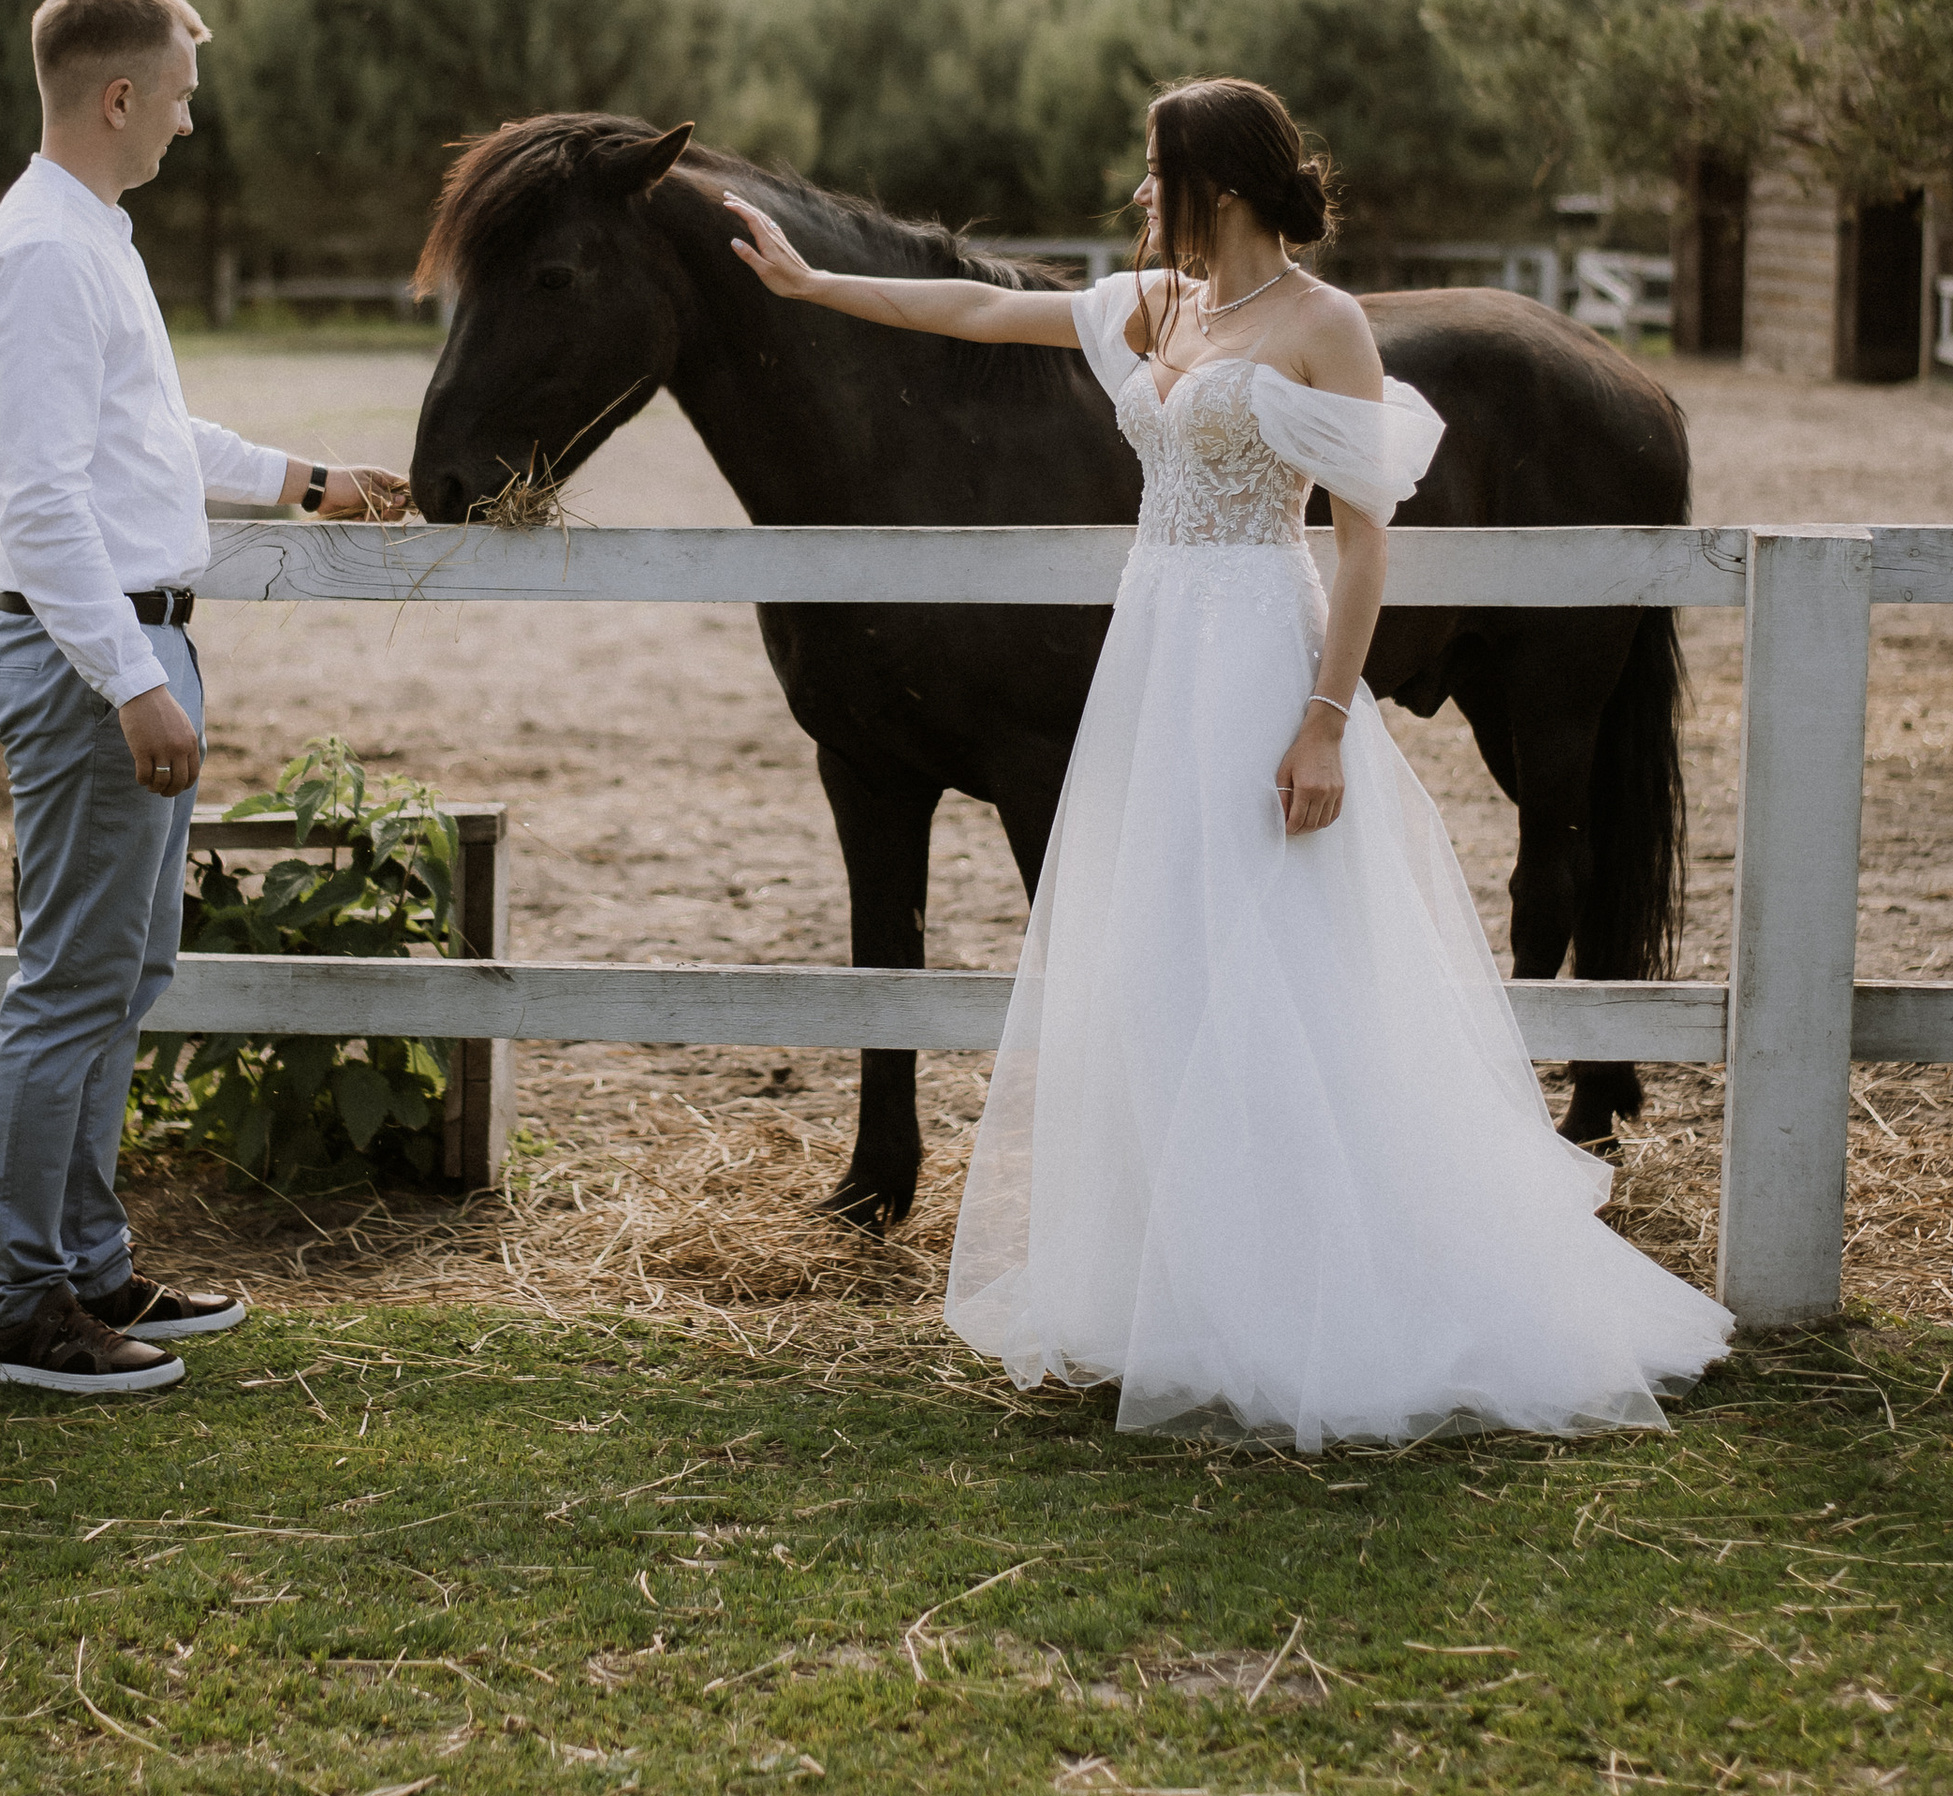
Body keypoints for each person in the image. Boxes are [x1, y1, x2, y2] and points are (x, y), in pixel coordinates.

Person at [724, 75, 1731, 1449]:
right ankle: (1177, 1280)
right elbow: (977, 312)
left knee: (1290, 963)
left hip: (1264, 648)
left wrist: (1325, 717)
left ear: (1228, 186)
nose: (1144, 200)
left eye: (1161, 176)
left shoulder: (1327, 326)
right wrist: (811, 283)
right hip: (1154, 656)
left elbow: (1368, 539)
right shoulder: (1162, 304)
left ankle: (1320, 1283)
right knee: (1165, 957)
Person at [0, 0, 408, 1401]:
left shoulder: (93, 236)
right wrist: (133, 676)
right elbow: (39, 497)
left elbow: (148, 438)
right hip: (100, 655)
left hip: (143, 644)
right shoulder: (38, 254)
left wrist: (309, 479)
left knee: (122, 970)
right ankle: (24, 1305)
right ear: (120, 93)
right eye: (183, 100)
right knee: (69, 985)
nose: (191, 127)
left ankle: (87, 1262)